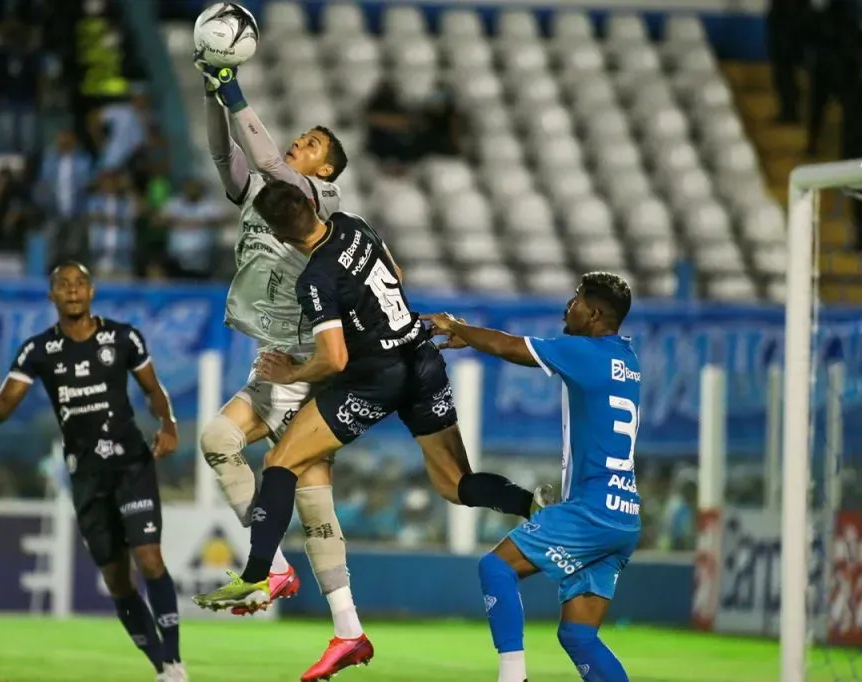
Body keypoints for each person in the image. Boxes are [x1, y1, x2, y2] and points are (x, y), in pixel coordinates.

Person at [192, 181, 550, 629]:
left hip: (377, 378)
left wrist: (291, 373)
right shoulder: (352, 224)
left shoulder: (316, 279)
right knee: (455, 482)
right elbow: (395, 276)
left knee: (282, 462)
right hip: (421, 357)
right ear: (310, 206)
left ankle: (258, 574)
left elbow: (334, 358)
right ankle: (533, 504)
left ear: (282, 238)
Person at [193, 49, 371, 682]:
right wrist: (212, 96)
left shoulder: (313, 194)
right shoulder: (266, 193)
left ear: (328, 169)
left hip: (310, 365)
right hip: (275, 364)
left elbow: (266, 158)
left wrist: (234, 90)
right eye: (301, 138)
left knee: (313, 501)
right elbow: (228, 159)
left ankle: (320, 608)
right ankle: (326, 613)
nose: (300, 143)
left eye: (313, 142)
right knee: (223, 443)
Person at [0, 261, 186, 682]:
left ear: (92, 292)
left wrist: (169, 426)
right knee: (118, 580)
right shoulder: (37, 351)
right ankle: (162, 665)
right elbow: (1, 413)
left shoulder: (123, 337)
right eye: (62, 285)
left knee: (150, 559)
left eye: (79, 283)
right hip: (86, 476)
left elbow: (153, 391)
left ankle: (175, 662)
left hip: (130, 464)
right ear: (51, 296)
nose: (72, 291)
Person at [424, 271, 641, 682]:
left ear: (594, 314)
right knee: (579, 635)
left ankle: (512, 677)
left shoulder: (586, 353)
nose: (568, 306)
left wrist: (459, 329)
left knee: (496, 568)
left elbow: (512, 347)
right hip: (623, 514)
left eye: (576, 300)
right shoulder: (627, 360)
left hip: (591, 511)